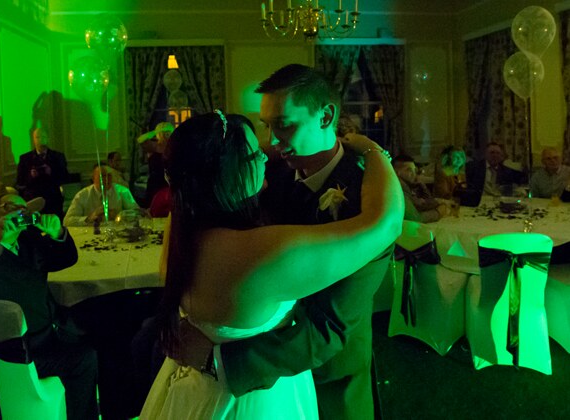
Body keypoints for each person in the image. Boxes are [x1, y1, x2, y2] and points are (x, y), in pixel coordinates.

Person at [168, 64, 397, 420]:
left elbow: (329, 327)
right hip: (255, 381)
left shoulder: (367, 196)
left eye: (284, 125)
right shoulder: (257, 172)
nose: (271, 141)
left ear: (326, 117)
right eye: (267, 126)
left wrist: (219, 361)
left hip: (330, 372)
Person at [0, 193, 98, 420]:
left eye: (22, 209)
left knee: (96, 345)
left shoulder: (31, 242)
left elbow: (66, 258)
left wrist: (58, 233)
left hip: (49, 337)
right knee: (84, 360)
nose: (17, 213)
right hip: (14, 354)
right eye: (9, 207)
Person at [16, 127, 69, 219]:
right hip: (33, 197)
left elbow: (65, 178)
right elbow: (20, 181)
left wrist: (51, 172)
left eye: (43, 137)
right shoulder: (25, 158)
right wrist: (31, 176)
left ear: (48, 138)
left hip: (52, 197)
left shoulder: (58, 157)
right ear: (33, 139)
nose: (41, 140)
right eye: (37, 137)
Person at [63, 164, 139, 227]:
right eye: (102, 176)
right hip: (90, 235)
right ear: (93, 178)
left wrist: (119, 216)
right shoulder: (82, 195)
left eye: (109, 176)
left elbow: (137, 213)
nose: (106, 179)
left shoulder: (122, 191)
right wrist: (89, 218)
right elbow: (67, 221)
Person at [394, 154, 449, 223]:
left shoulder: (406, 187)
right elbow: (415, 219)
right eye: (409, 170)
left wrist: (422, 185)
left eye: (415, 170)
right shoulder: (398, 189)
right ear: (396, 172)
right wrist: (438, 212)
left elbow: (429, 202)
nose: (414, 173)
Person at [136, 122, 173, 207]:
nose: (167, 134)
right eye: (165, 131)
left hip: (168, 183)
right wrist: (157, 131)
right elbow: (140, 140)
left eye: (169, 132)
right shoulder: (154, 146)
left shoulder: (172, 147)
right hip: (155, 184)